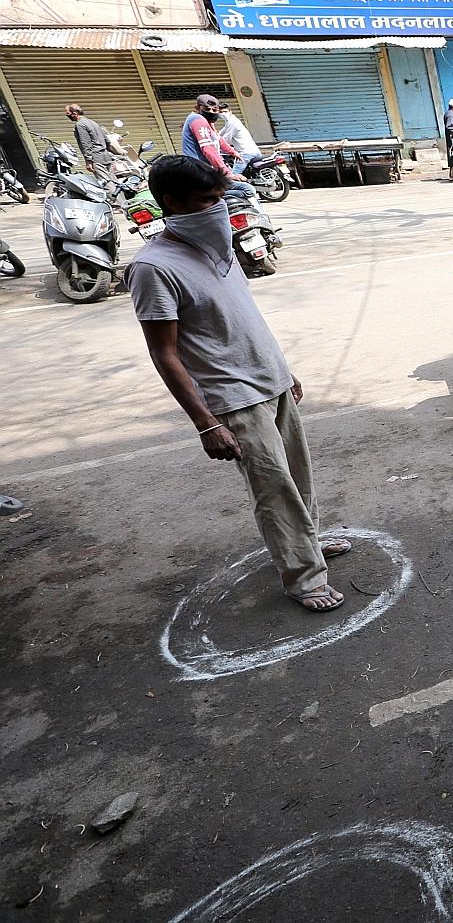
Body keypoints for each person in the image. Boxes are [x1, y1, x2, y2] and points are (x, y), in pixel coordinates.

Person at [124, 157, 351, 612]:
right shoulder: (153, 267)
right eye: (206, 201)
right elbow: (164, 352)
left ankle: (304, 543)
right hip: (232, 396)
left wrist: (285, 372)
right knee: (273, 489)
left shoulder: (220, 248)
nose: (217, 209)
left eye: (219, 199)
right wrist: (206, 423)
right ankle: (303, 578)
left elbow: (241, 320)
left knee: (297, 476)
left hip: (273, 381)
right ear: (171, 203)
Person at [184, 94, 260, 205]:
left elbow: (219, 139)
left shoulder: (208, 123)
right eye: (206, 109)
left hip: (207, 172)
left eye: (214, 110)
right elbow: (208, 149)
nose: (211, 112)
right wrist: (227, 174)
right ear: (197, 108)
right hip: (200, 172)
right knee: (248, 190)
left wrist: (233, 152)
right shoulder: (197, 120)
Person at [65, 104, 112, 178]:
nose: (67, 116)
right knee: (114, 183)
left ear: (74, 113)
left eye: (68, 114)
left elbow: (85, 144)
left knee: (107, 185)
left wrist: (88, 161)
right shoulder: (92, 122)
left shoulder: (80, 124)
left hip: (96, 158)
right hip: (106, 157)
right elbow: (107, 140)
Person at [216, 102, 262, 174]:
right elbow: (221, 132)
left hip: (245, 153)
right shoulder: (230, 122)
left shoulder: (233, 123)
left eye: (225, 111)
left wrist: (215, 145)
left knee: (233, 177)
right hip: (254, 151)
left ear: (230, 111)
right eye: (221, 112)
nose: (223, 114)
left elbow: (225, 139)